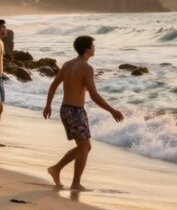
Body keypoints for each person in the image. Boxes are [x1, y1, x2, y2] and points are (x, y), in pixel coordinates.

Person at [42, 35, 124, 190]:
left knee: (83, 147)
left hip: (65, 109)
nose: (94, 48)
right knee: (85, 147)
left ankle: (56, 169)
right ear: (87, 49)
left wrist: (48, 106)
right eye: (93, 46)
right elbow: (93, 95)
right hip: (75, 111)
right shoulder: (87, 68)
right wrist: (112, 110)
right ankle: (75, 183)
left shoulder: (67, 64)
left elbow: (53, 86)